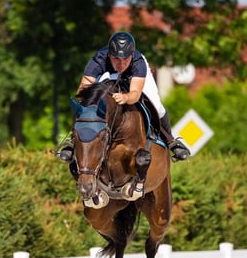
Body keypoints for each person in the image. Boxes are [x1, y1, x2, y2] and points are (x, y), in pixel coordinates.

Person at [56, 31, 191, 163]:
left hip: (133, 78)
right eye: (116, 58)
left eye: (125, 59)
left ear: (132, 55)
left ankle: (171, 140)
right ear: (109, 54)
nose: (121, 64)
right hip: (108, 74)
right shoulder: (98, 60)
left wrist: (125, 98)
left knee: (156, 104)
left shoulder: (138, 62)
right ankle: (72, 141)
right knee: (85, 104)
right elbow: (83, 90)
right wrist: (88, 100)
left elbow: (135, 94)